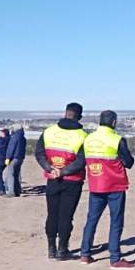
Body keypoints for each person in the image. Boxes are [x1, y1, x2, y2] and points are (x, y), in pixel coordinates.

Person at [78, 111, 135, 270]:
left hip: (96, 184)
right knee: (116, 221)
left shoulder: (88, 139)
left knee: (92, 219)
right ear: (114, 122)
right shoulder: (117, 139)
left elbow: (83, 159)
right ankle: (115, 258)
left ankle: (85, 254)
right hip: (115, 185)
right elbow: (129, 162)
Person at [36, 102, 87, 259]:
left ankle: (51, 248)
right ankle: (62, 249)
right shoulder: (83, 136)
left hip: (52, 179)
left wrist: (50, 169)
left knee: (52, 214)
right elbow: (81, 161)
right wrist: (63, 171)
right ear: (79, 117)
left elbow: (39, 154)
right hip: (72, 180)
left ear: (65, 113)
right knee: (66, 216)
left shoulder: (49, 132)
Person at [3, 126, 26, 197]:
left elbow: (11, 148)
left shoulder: (14, 137)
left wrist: (7, 158)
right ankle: (17, 191)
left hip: (13, 158)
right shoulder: (23, 138)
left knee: (10, 175)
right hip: (20, 158)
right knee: (17, 175)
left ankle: (11, 192)